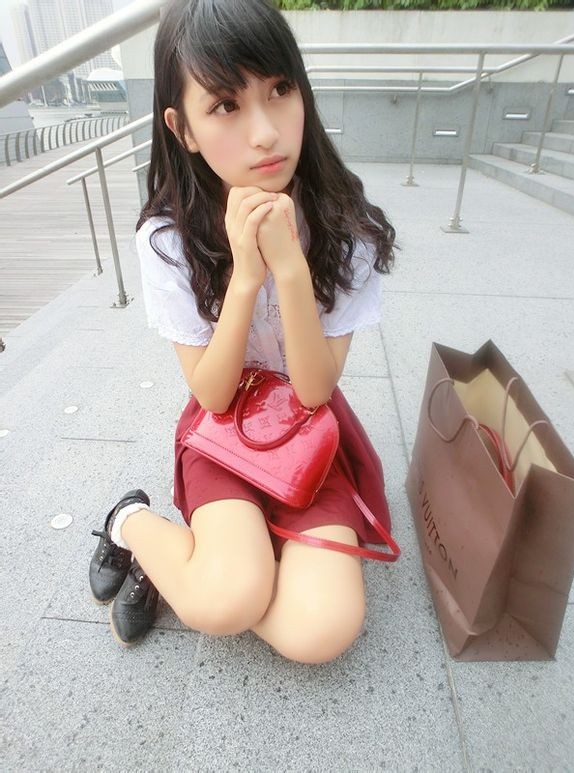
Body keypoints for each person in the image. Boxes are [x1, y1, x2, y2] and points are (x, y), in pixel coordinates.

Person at [89, 0, 399, 665]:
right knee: (226, 601)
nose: (266, 133)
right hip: (223, 428)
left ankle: (208, 559)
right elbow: (213, 393)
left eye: (280, 90)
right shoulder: (168, 239)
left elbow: (314, 392)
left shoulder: (346, 228)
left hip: (306, 430)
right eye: (226, 104)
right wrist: (246, 276)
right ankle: (133, 524)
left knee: (322, 632)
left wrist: (291, 269)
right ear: (183, 128)